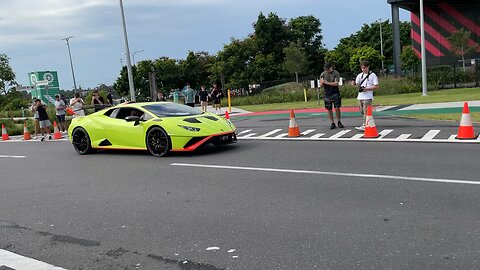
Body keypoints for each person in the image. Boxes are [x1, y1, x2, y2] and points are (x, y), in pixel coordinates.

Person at [353, 60, 379, 131]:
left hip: (368, 96)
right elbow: (357, 84)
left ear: (368, 67)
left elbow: (376, 86)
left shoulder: (372, 75)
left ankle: (365, 125)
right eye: (362, 68)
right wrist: (354, 84)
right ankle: (369, 122)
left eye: (364, 68)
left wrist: (367, 88)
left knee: (366, 111)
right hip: (360, 96)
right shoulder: (359, 75)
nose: (363, 69)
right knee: (362, 111)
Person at [320, 62, 344, 129]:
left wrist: (327, 82)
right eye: (326, 69)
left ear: (331, 67)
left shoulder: (336, 73)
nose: (327, 70)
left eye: (328, 69)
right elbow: (321, 84)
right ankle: (332, 122)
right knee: (329, 108)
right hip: (327, 93)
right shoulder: (323, 74)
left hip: (335, 92)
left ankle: (339, 121)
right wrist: (321, 83)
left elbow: (336, 83)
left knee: (337, 108)